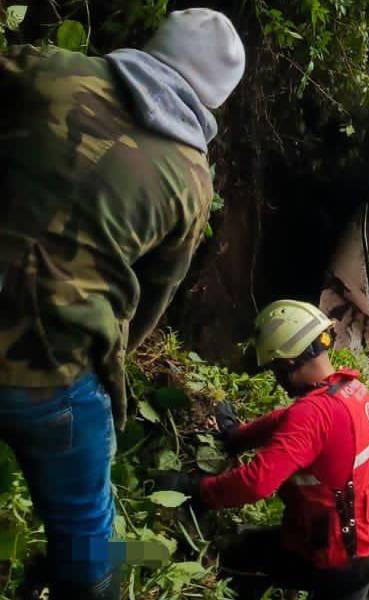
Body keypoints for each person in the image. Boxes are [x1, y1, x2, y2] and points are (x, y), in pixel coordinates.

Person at [0, 9, 244, 598]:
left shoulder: (50, 72)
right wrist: (109, 360)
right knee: (88, 533)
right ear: (215, 97)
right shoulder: (192, 180)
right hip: (52, 371)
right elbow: (152, 298)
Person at [159, 300, 369, 599]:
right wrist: (238, 436)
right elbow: (287, 420)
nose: (277, 380)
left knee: (235, 559)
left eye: (275, 369)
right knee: (251, 551)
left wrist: (197, 490)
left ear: (287, 364)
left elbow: (256, 482)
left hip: (341, 559)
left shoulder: (314, 414)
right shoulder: (351, 390)